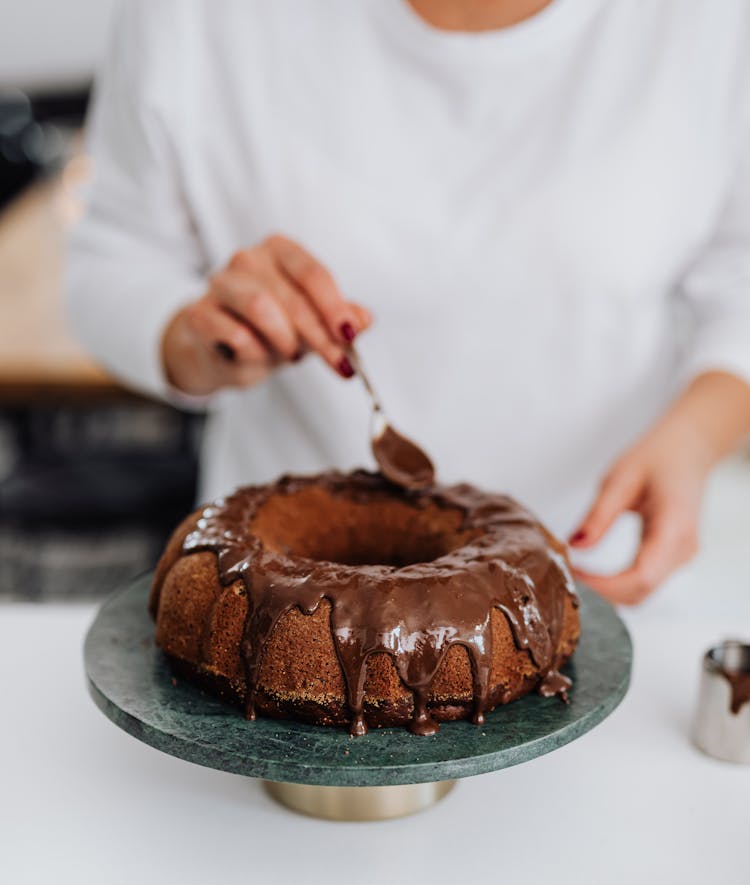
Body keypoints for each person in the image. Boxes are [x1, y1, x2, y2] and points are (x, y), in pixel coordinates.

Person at [66, 0, 750, 604]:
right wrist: (202, 340)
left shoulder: (712, 23)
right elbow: (111, 260)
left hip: (599, 576)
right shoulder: (198, 15)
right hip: (278, 600)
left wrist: (696, 435)